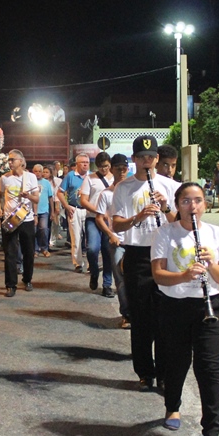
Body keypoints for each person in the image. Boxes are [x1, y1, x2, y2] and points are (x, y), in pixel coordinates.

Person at [151, 182, 219, 436]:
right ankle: (172, 406)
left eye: (197, 200)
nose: (192, 206)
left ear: (205, 204)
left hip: (209, 306)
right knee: (177, 361)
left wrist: (212, 265)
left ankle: (212, 432)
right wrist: (185, 275)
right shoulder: (165, 232)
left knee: (208, 369)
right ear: (177, 205)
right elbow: (159, 275)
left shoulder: (217, 234)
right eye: (186, 201)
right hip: (174, 305)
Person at [110, 136, 178, 391]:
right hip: (138, 254)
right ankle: (144, 371)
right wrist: (138, 216)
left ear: (157, 159)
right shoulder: (124, 188)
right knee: (140, 318)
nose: (146, 161)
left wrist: (165, 207)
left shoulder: (170, 186)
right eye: (141, 157)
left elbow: (179, 223)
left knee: (165, 318)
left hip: (165, 254)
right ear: (134, 159)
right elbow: (117, 225)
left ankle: (164, 371)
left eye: (151, 157)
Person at [0, 150, 39, 296]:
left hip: (26, 218)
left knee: (28, 251)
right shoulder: (4, 178)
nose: (10, 162)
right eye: (8, 160)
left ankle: (27, 279)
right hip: (10, 218)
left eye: (12, 160)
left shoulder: (31, 177)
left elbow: (36, 199)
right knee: (10, 252)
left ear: (21, 161)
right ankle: (10, 285)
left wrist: (28, 196)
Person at [94, 153, 130, 326]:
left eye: (124, 169)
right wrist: (111, 234)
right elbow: (99, 218)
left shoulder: (134, 190)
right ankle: (127, 315)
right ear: (112, 170)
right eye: (118, 169)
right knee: (121, 279)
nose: (122, 172)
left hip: (136, 242)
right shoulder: (106, 194)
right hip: (117, 242)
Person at [79, 152, 113, 295]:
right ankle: (94, 272)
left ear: (110, 164)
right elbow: (83, 200)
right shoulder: (90, 178)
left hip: (110, 220)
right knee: (92, 248)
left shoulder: (116, 179)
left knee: (108, 251)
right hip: (93, 219)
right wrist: (99, 211)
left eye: (106, 166)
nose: (103, 169)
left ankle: (107, 284)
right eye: (100, 167)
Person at [58, 153, 90, 272]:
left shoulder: (91, 176)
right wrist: (66, 206)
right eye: (83, 162)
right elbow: (60, 192)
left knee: (90, 238)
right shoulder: (70, 176)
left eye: (87, 162)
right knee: (76, 238)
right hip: (74, 209)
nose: (85, 165)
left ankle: (91, 263)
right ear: (77, 164)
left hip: (88, 210)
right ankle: (78, 263)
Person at [31, 164, 55, 257]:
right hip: (32, 211)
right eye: (35, 171)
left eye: (39, 171)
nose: (37, 173)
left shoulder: (46, 183)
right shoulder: (30, 182)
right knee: (33, 231)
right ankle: (35, 250)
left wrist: (52, 211)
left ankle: (44, 248)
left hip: (44, 211)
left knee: (44, 229)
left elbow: (50, 197)